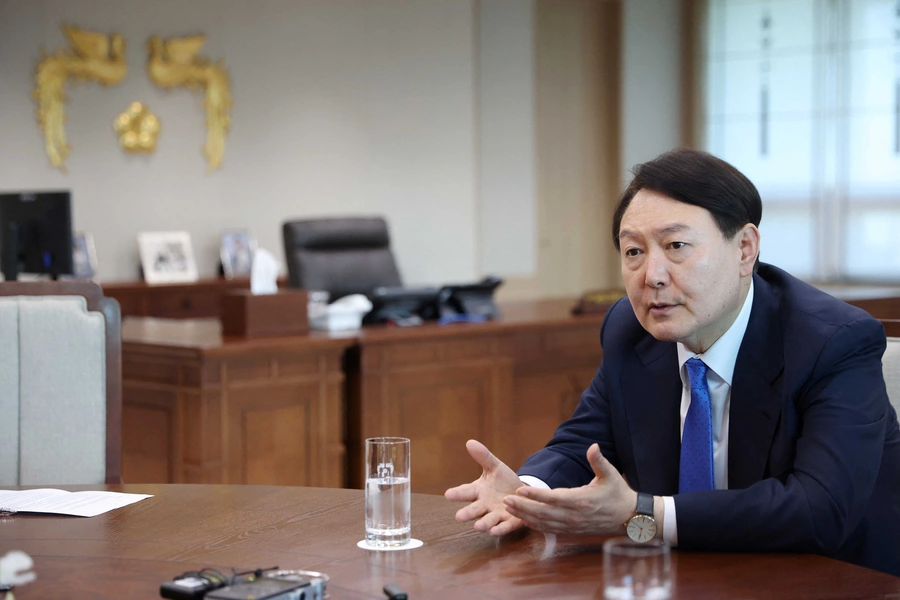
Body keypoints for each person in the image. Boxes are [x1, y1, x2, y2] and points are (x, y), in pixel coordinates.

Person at [445, 148, 900, 576]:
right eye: (634, 252)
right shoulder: (631, 329)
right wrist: (528, 493)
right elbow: (580, 445)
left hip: (832, 580)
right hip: (686, 577)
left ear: (745, 249)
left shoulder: (832, 342)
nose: (652, 277)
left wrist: (644, 515)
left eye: (677, 246)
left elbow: (819, 510)